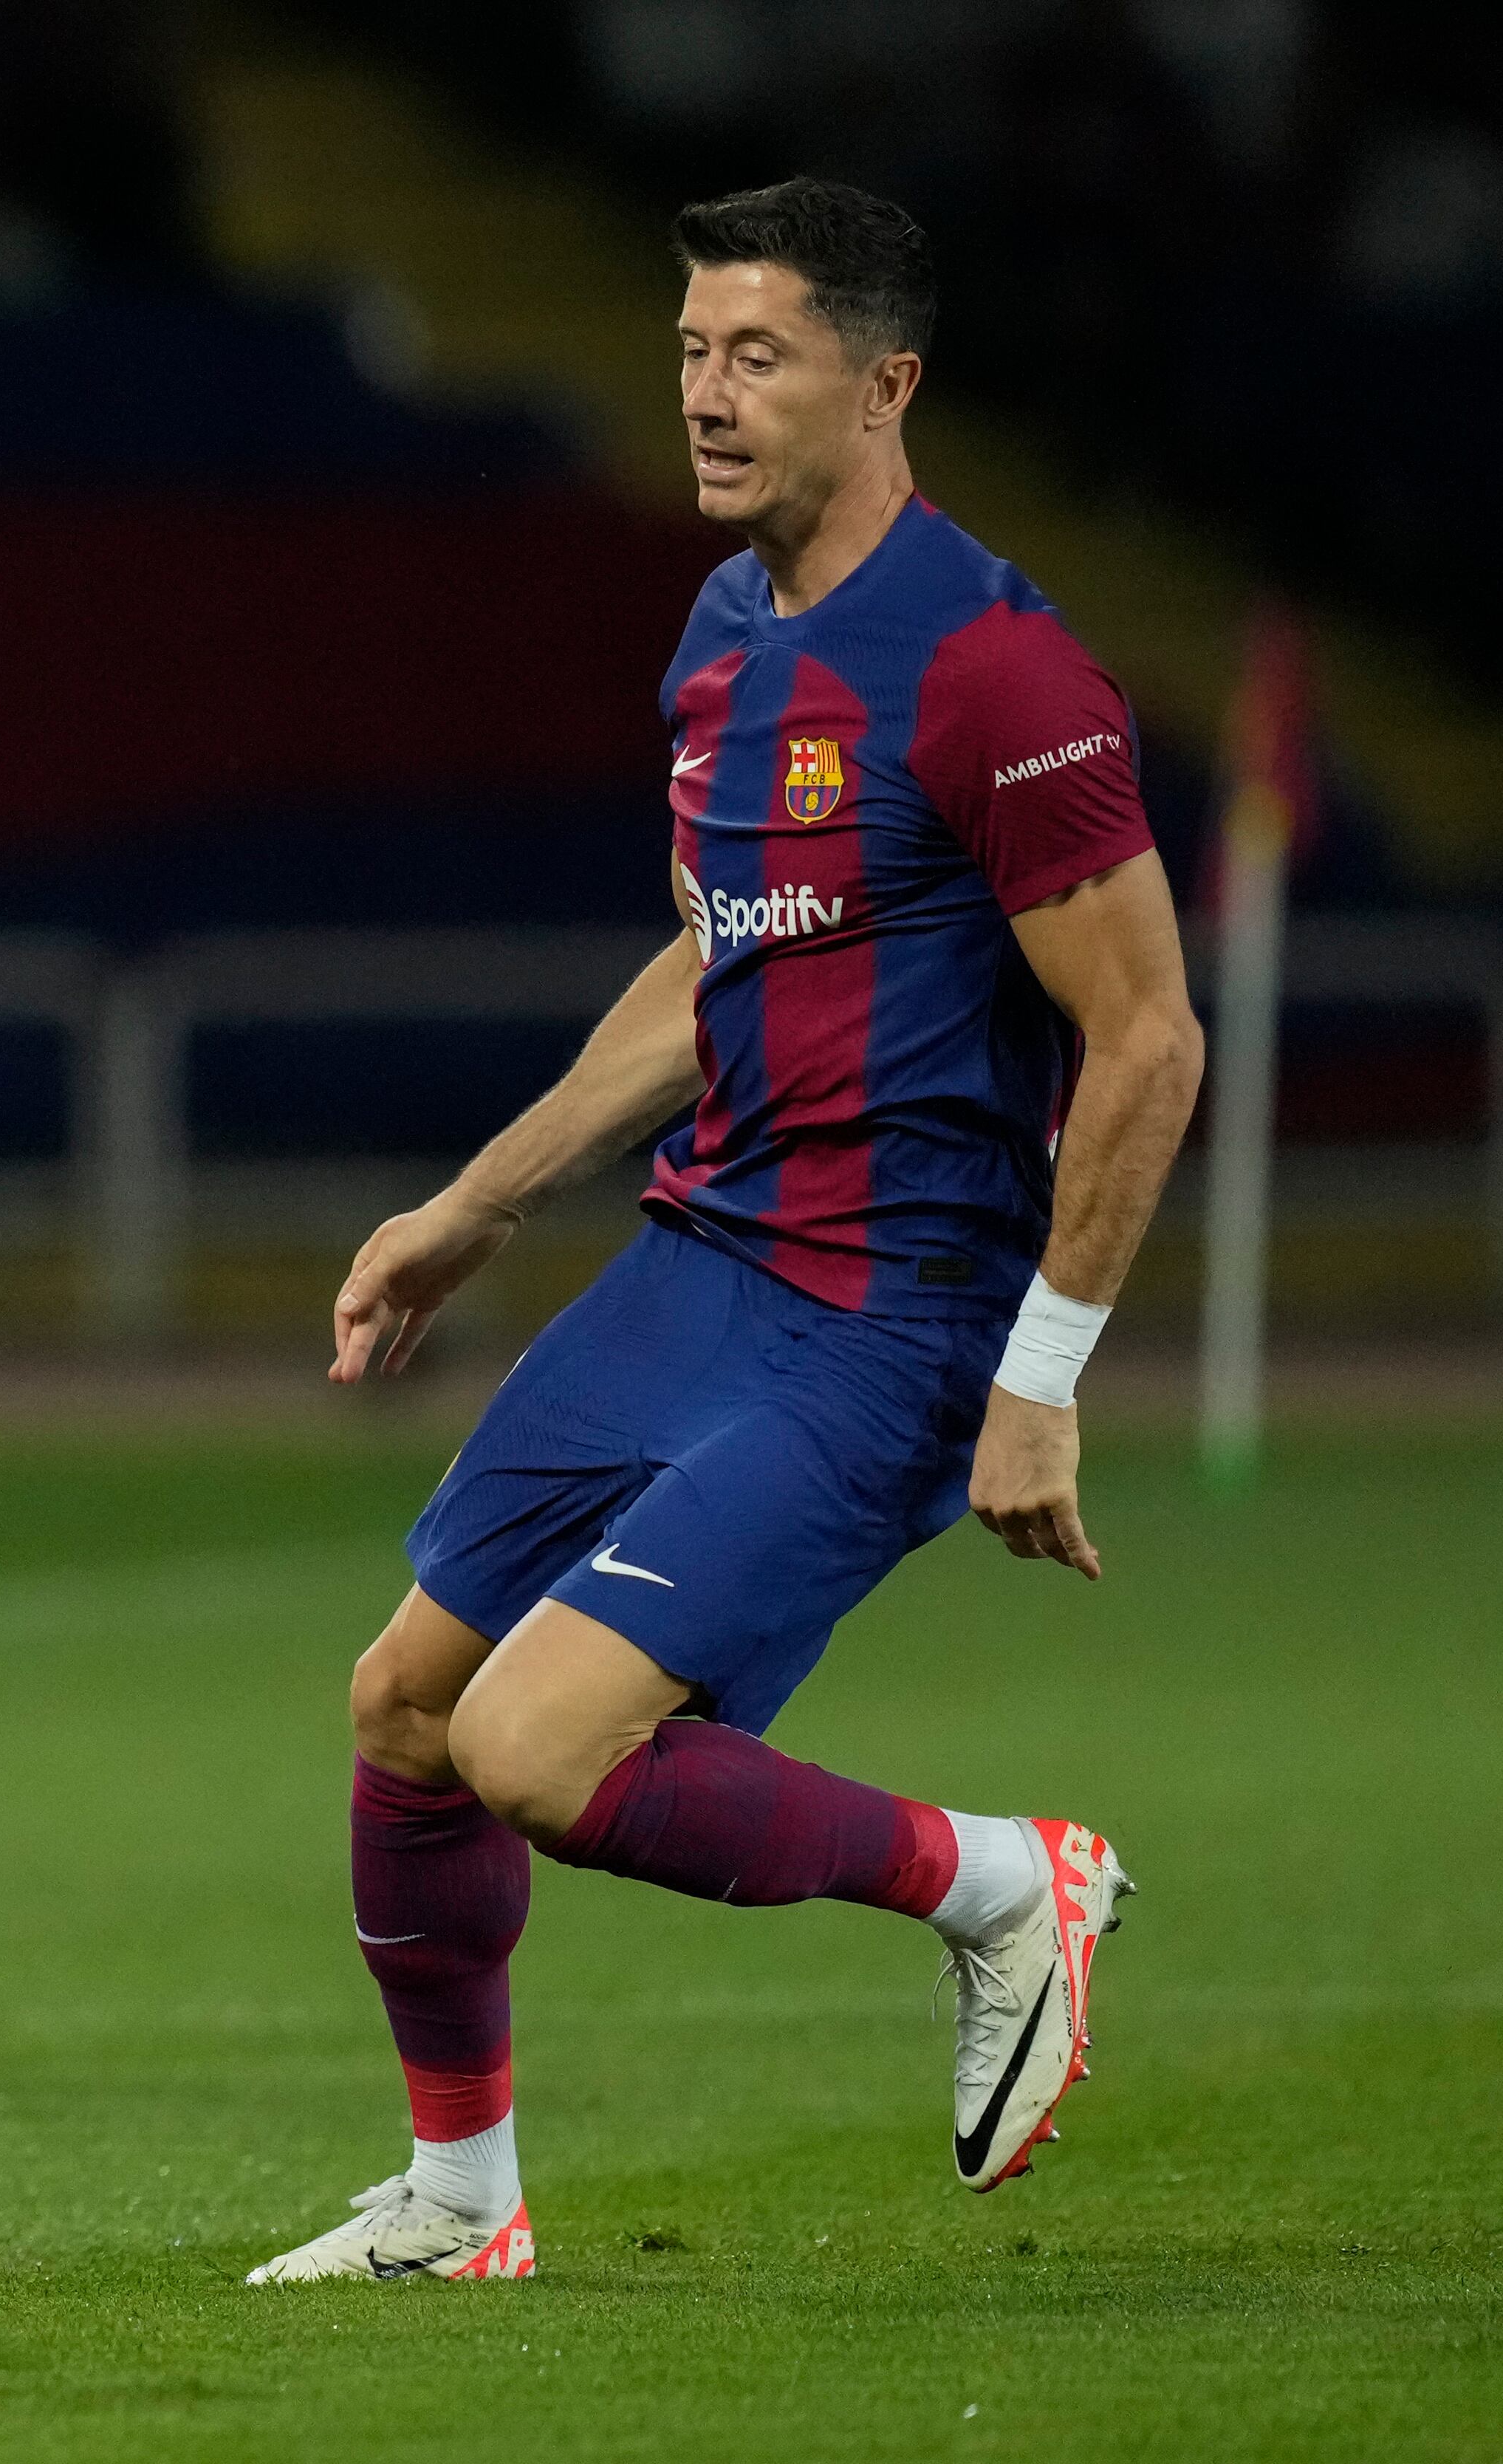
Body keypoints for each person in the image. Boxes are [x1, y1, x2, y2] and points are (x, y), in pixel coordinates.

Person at [252, 177, 1206, 2285]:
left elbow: (1146, 1044)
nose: (705, 395)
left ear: (887, 386)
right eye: (691, 352)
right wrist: (472, 1207)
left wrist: (1040, 1380)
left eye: (757, 355)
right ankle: (461, 2207)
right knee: (407, 1707)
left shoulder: (995, 667)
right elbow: (713, 969)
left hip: (892, 1316)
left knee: (532, 1748)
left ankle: (998, 1885)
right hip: (698, 1266)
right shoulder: (721, 641)